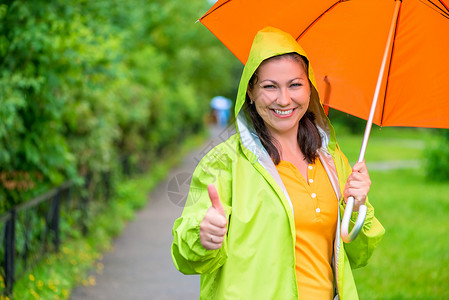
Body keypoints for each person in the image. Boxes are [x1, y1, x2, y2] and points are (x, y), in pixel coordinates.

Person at [171, 27, 384, 299]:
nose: (284, 100)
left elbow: (358, 253)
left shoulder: (331, 159)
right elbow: (187, 258)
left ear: (310, 87)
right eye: (270, 86)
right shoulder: (223, 162)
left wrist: (358, 206)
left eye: (295, 84)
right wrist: (203, 238)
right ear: (250, 90)